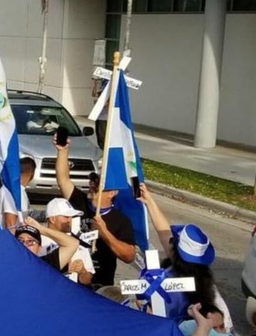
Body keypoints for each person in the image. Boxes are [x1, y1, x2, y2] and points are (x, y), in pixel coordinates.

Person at [139, 183, 232, 330]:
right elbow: (164, 232)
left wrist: (141, 301)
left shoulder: (166, 280)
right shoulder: (204, 284)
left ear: (176, 252)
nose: (169, 241)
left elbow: (148, 316)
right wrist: (149, 201)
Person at [54, 138, 135, 287]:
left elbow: (129, 255)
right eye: (91, 181)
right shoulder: (80, 202)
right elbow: (63, 180)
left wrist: (104, 232)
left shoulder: (121, 220)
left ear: (112, 193)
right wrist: (63, 151)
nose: (91, 185)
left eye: (97, 184)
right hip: (71, 280)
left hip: (101, 285)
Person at [42, 198, 95, 286]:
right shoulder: (36, 241)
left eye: (71, 217)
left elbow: (87, 281)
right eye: (66, 217)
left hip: (69, 295)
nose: (70, 220)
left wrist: (83, 271)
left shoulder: (79, 243)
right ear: (52, 219)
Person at [15, 217, 80, 272]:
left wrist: (41, 228)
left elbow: (73, 243)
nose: (25, 245)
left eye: (30, 241)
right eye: (20, 241)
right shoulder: (7, 263)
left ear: (39, 248)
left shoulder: (45, 265)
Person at [0, 157, 34, 231]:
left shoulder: (21, 191)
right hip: (6, 240)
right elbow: (10, 225)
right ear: (32, 174)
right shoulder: (11, 191)